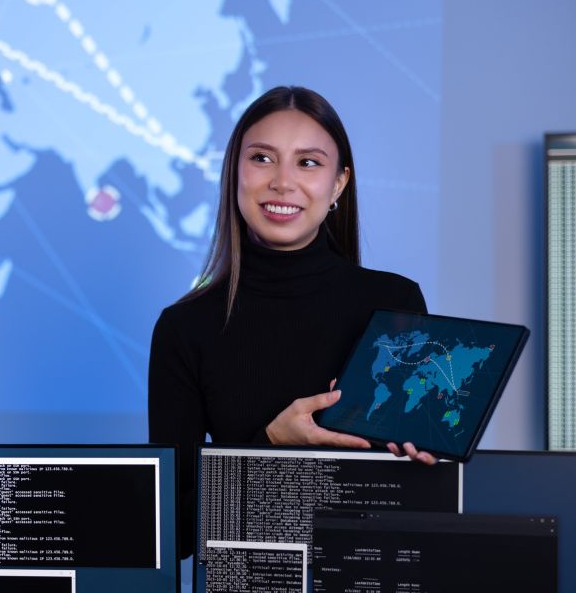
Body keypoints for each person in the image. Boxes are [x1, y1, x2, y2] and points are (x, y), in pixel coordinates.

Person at [148, 86, 433, 558]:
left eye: (308, 162)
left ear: (338, 183)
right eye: (262, 158)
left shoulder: (395, 302)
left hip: (370, 571)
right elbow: (172, 534)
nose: (283, 182)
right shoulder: (184, 327)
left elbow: (415, 500)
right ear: (234, 173)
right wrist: (272, 442)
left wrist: (427, 460)